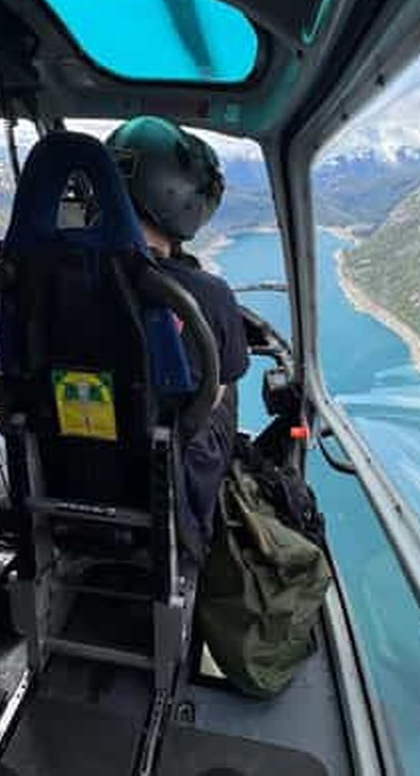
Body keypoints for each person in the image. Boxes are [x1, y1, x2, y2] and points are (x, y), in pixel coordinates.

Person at [106, 117, 249, 558]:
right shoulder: (207, 295)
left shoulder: (41, 283)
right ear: (178, 196)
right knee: (223, 387)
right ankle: (203, 512)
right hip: (162, 487)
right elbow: (216, 389)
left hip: (62, 470)